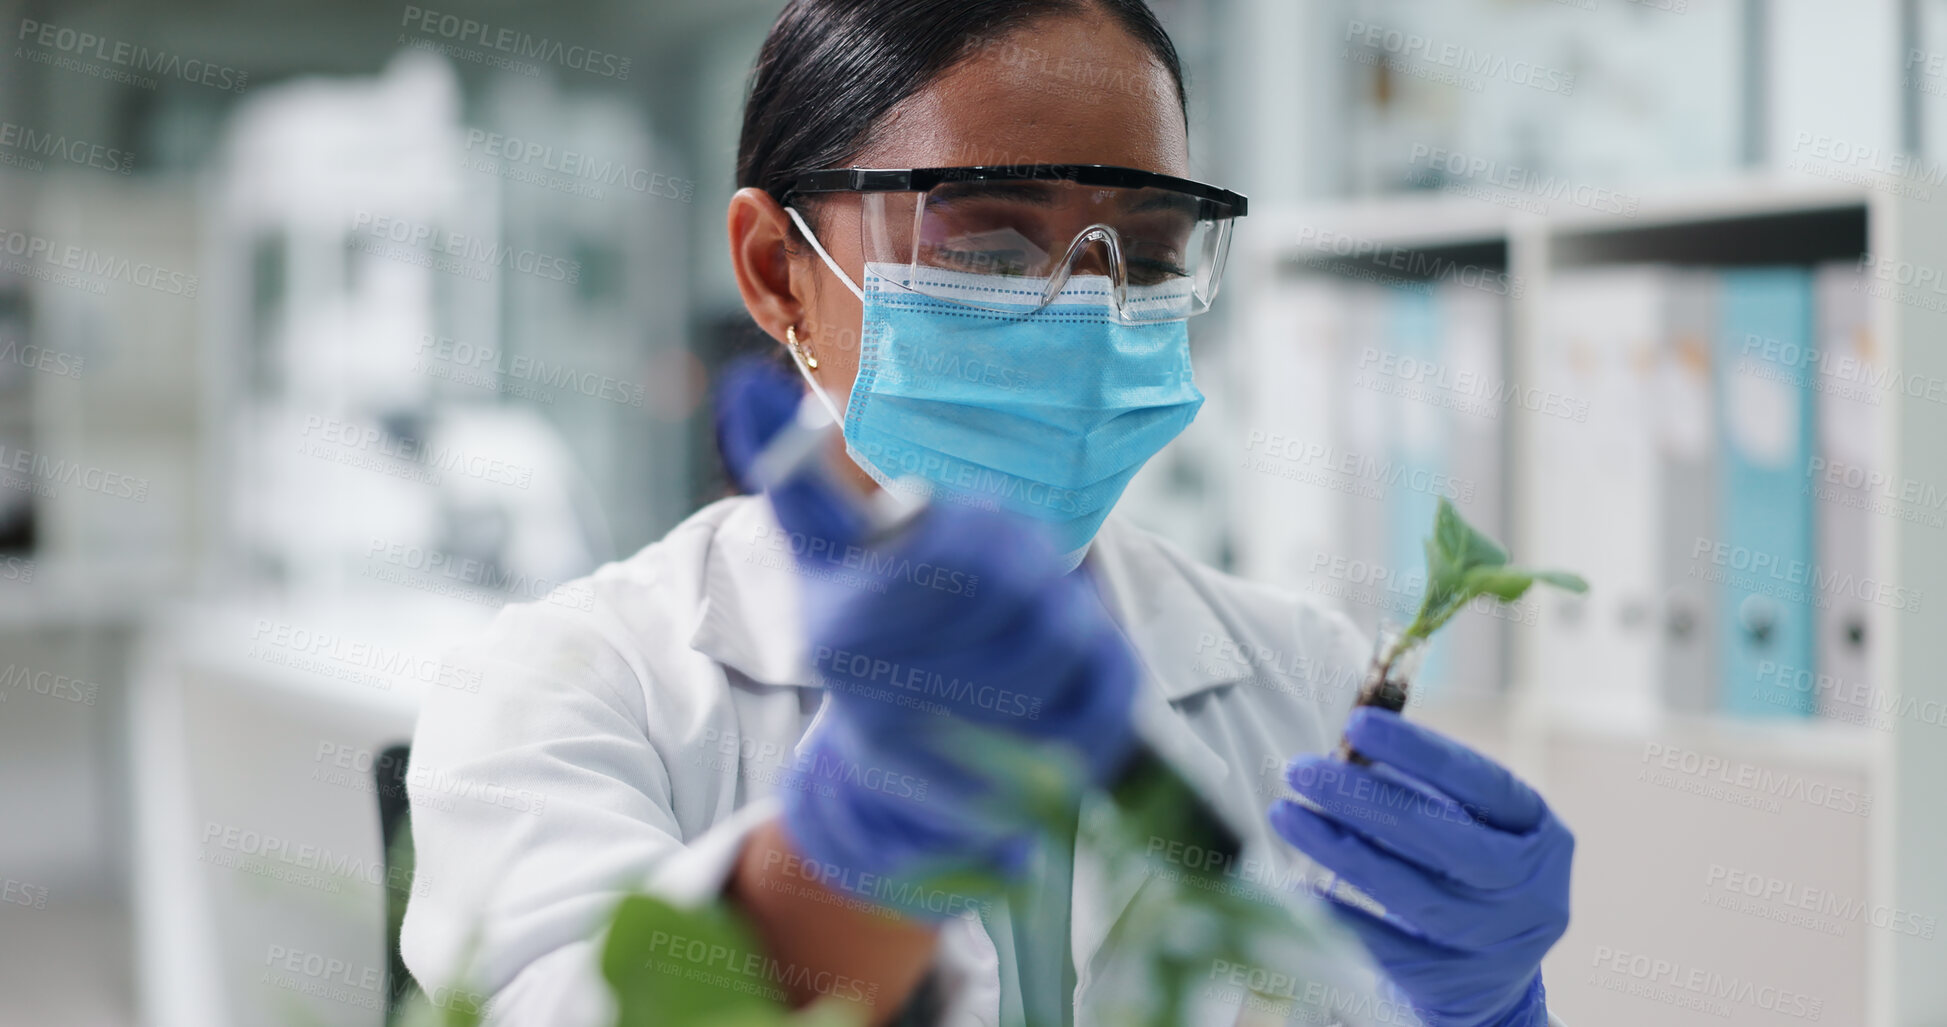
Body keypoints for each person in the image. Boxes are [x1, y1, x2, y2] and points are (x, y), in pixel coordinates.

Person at [400, 2, 1576, 1025]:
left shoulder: (1301, 679)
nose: (1085, 309)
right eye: (988, 245)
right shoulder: (567, 688)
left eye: (1152, 255)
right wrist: (843, 862)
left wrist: (1486, 1016)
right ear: (774, 271)